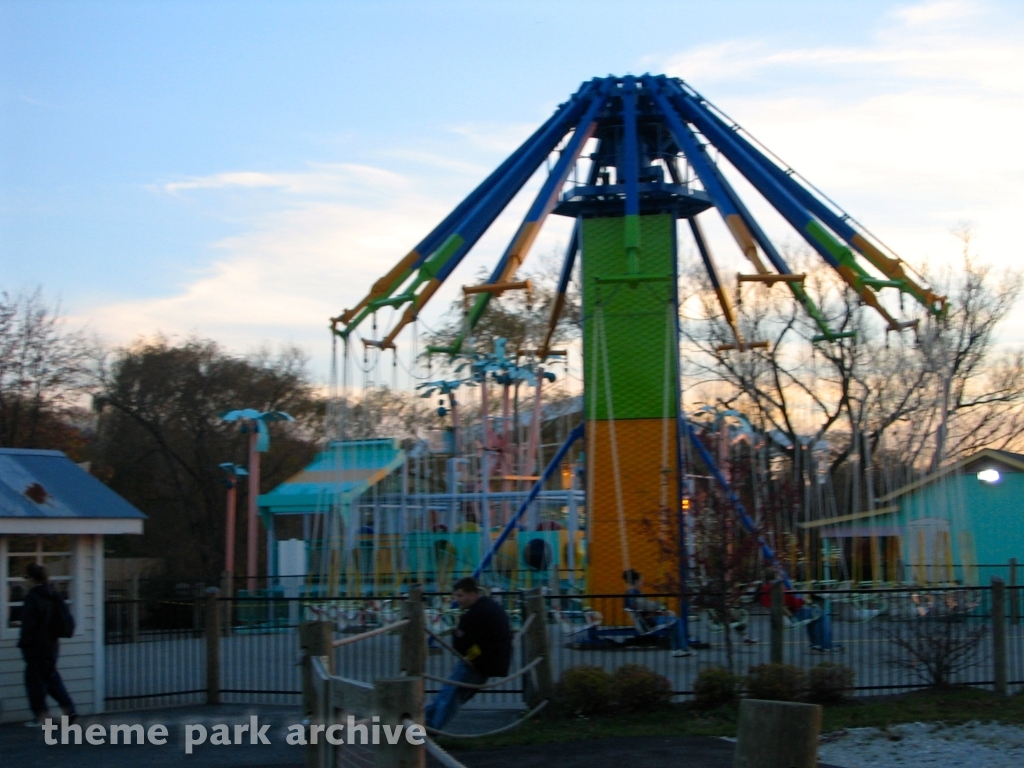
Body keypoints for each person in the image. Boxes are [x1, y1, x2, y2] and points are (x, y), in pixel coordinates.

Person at [425, 577, 512, 730]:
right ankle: (424, 723)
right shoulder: (490, 607)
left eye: (460, 596)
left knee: (449, 697)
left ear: (473, 594)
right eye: (456, 596)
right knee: (448, 695)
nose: (457, 600)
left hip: (476, 663)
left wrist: (458, 632)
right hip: (488, 662)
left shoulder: (476, 613)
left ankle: (429, 728)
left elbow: (460, 642)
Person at [19, 563, 77, 727]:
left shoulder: (33, 597)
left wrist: (25, 644)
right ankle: (69, 710)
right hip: (52, 645)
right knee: (51, 679)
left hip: (36, 646)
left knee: (35, 683)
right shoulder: (53, 594)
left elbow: (29, 625)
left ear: (31, 579)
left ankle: (41, 716)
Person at [622, 569, 693, 657]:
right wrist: (661, 606)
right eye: (641, 580)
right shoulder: (634, 594)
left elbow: (644, 608)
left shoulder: (630, 594)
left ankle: (678, 648)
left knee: (674, 622)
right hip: (647, 624)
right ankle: (682, 648)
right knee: (677, 621)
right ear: (636, 581)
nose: (642, 582)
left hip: (644, 620)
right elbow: (647, 606)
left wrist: (663, 611)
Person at [758, 580, 840, 652]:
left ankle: (816, 644)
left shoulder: (765, 590)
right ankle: (826, 645)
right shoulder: (780, 589)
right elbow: (794, 603)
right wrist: (803, 600)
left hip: (780, 617)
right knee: (822, 614)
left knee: (813, 615)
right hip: (791, 617)